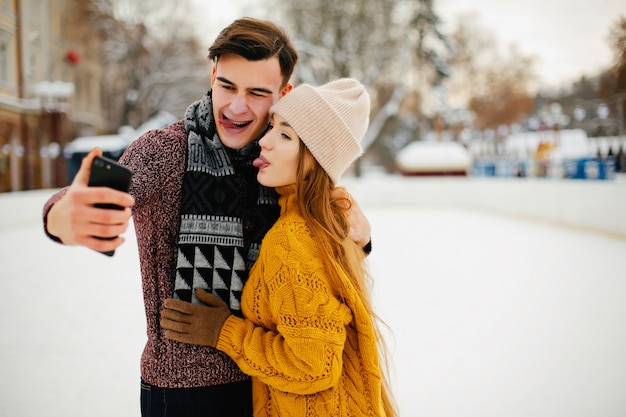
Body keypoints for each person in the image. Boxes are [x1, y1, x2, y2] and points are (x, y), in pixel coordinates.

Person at [42, 18, 371, 417]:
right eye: (227, 86)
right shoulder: (164, 151)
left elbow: (314, 267)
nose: (235, 106)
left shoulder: (282, 164)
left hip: (271, 388)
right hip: (185, 393)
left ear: (283, 94)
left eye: (256, 93)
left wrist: (360, 239)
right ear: (213, 74)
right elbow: (97, 196)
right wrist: (61, 217)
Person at [161, 79, 396, 417]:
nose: (265, 142)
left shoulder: (291, 239)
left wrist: (224, 331)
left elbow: (313, 366)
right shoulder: (326, 219)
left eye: (285, 135)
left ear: (316, 160)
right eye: (272, 127)